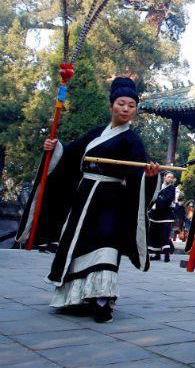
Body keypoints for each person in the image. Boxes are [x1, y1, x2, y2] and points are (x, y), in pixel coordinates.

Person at [17, 77, 160, 323]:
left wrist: (149, 176)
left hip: (111, 200)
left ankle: (103, 299)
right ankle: (77, 296)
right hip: (84, 199)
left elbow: (138, 172)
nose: (126, 109)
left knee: (107, 243)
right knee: (79, 244)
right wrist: (54, 147)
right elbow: (69, 156)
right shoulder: (95, 134)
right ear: (111, 106)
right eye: (121, 103)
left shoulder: (132, 140)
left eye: (131, 106)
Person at [148, 172, 176, 262]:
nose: (170, 179)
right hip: (155, 215)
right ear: (164, 177)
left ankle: (167, 255)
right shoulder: (159, 187)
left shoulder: (172, 188)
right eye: (168, 177)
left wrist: (158, 198)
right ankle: (156, 255)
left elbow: (168, 200)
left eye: (172, 177)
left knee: (164, 235)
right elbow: (152, 197)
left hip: (166, 216)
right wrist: (160, 198)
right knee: (153, 235)